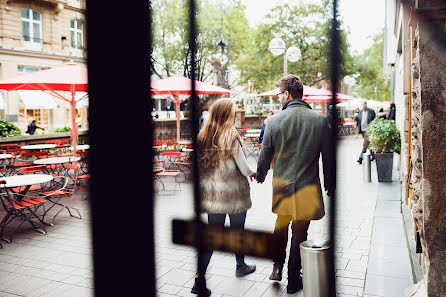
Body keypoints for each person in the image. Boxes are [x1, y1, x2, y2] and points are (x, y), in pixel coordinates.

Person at [253, 74, 335, 294]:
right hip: (308, 187)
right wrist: (330, 183)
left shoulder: (274, 121)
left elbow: (265, 153)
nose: (279, 98)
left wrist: (260, 175)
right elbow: (328, 157)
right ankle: (293, 278)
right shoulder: (319, 120)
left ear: (287, 94)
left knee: (281, 225)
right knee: (300, 233)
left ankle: (277, 268)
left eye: (279, 94)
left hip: (282, 186)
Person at [191, 98, 256, 296]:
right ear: (227, 115)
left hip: (214, 196)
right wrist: (254, 173)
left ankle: (199, 280)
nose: (236, 116)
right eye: (234, 112)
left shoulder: (203, 136)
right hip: (234, 194)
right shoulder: (231, 136)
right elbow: (244, 168)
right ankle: (240, 265)